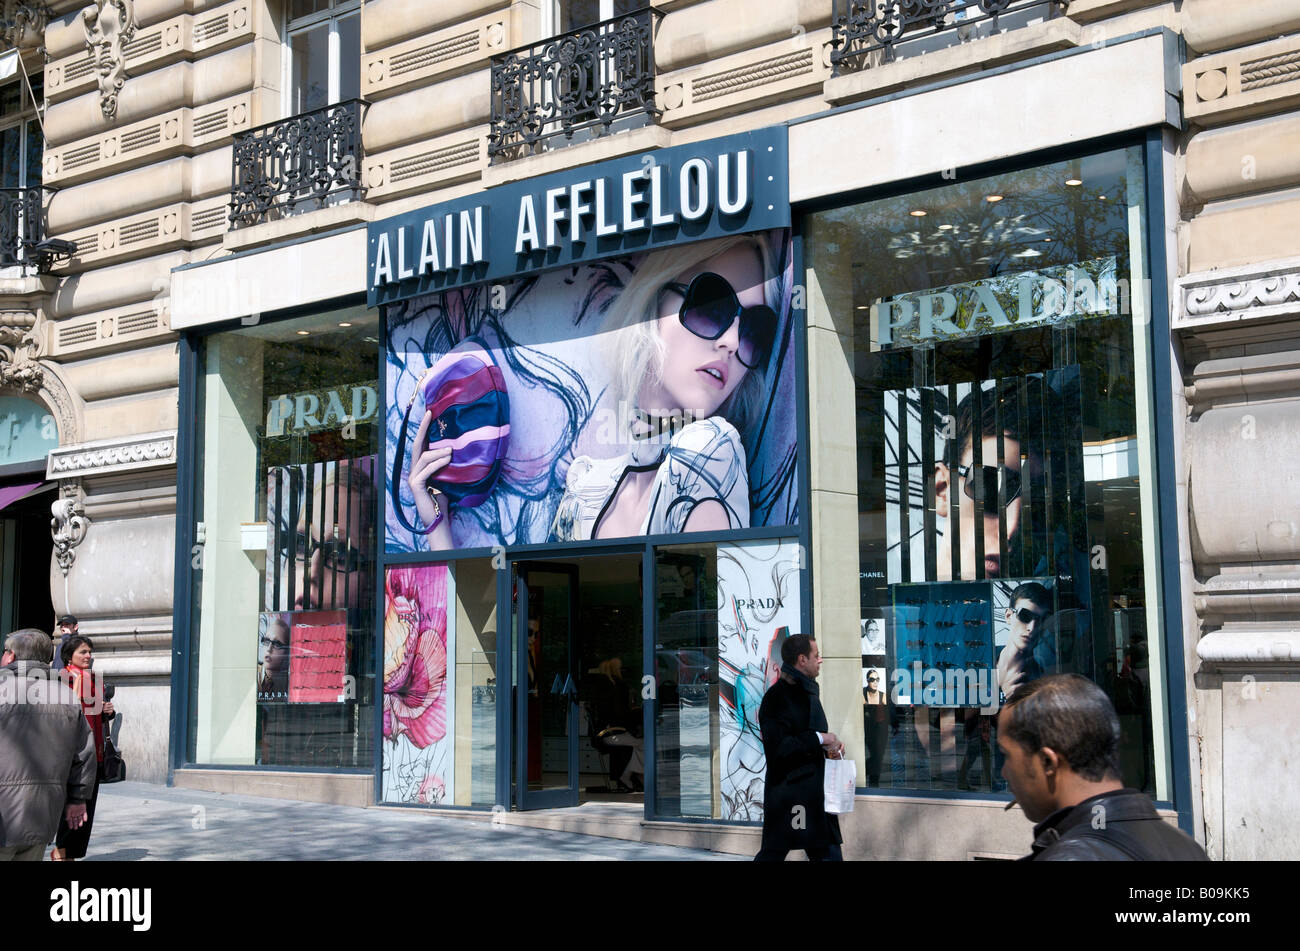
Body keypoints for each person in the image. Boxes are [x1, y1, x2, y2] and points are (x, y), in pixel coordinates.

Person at [547, 235, 777, 541]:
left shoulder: (710, 449)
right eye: (712, 306)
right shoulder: (584, 484)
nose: (732, 343)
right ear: (655, 301)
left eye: (753, 329)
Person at [997, 673, 1208, 860]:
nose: (1004, 772)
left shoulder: (1068, 856)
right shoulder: (1187, 847)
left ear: (1047, 762)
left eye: (1006, 755)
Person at [0, 629, 97, 862]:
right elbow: (85, 754)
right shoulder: (66, 696)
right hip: (41, 816)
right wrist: (77, 799)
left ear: (11, 656)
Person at [755, 634, 844, 861]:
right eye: (817, 655)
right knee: (774, 853)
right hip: (792, 796)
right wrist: (821, 739)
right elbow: (779, 749)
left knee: (827, 852)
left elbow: (810, 737)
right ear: (802, 659)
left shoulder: (807, 691)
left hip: (814, 793)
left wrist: (830, 747)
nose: (820, 660)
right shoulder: (777, 697)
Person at [50, 635, 114, 861]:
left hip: (93, 752)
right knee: (69, 804)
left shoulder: (94, 679)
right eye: (83, 652)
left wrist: (107, 711)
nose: (88, 656)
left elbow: (95, 714)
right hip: (69, 753)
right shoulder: (60, 679)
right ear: (70, 655)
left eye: (89, 652)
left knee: (86, 807)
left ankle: (72, 853)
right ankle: (61, 849)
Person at [590, 658, 644, 792]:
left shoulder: (601, 688)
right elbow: (619, 714)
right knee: (643, 743)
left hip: (605, 732)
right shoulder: (616, 688)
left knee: (639, 744)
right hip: (612, 732)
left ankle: (635, 776)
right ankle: (629, 776)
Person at [996, 581, 1052, 701]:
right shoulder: (981, 656)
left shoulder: (1041, 683)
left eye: (1042, 620)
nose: (1032, 628)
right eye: (1025, 615)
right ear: (1008, 616)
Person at [862, 667, 889, 787]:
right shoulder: (863, 693)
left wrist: (894, 723)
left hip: (881, 728)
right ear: (867, 680)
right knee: (876, 756)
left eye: (877, 679)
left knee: (878, 756)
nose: (875, 682)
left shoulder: (883, 695)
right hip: (868, 728)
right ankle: (864, 773)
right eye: (872, 679)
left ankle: (873, 782)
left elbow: (889, 711)